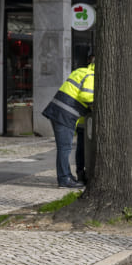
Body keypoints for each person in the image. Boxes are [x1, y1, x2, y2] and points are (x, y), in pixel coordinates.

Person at [41, 56, 94, 189]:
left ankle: (67, 175)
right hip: (65, 114)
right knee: (65, 148)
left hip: (58, 111)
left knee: (64, 147)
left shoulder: (80, 71)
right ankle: (64, 179)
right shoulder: (92, 76)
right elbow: (85, 96)